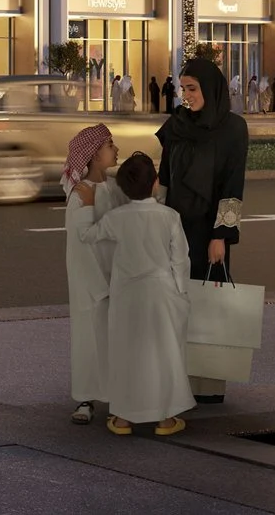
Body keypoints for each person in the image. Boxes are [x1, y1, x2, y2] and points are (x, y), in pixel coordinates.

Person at [75, 152, 193, 436]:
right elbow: (181, 259)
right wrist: (181, 293)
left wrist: (88, 206)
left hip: (127, 292)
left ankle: (123, 418)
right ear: (155, 183)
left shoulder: (116, 218)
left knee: (127, 352)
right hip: (162, 291)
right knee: (165, 352)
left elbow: (87, 235)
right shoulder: (169, 216)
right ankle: (166, 420)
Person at [159, 56, 247, 405]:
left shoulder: (233, 129)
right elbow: (164, 177)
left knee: (209, 305)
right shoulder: (177, 124)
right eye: (182, 88)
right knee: (175, 303)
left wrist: (221, 236)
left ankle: (207, 384)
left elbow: (232, 184)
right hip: (174, 225)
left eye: (192, 88)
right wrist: (156, 221)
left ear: (210, 88)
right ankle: (176, 379)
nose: (186, 95)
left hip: (208, 230)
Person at [61, 123, 126, 425]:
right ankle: (86, 399)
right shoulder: (81, 195)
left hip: (114, 276)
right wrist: (101, 284)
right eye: (109, 145)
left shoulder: (111, 188)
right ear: (94, 155)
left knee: (113, 339)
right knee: (89, 336)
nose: (115, 150)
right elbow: (82, 243)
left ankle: (116, 396)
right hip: (92, 282)